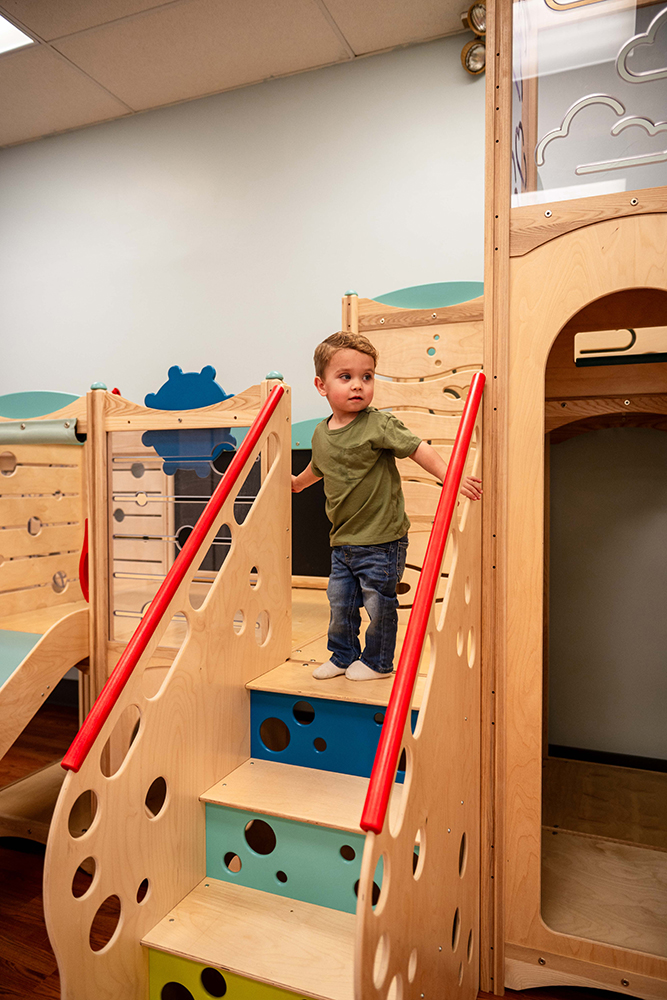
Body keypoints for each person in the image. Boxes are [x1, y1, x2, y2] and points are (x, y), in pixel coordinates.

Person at [291, 331, 482, 681]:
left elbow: (418, 448)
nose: (358, 386)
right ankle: (342, 655)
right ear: (322, 385)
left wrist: (450, 478)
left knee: (379, 604)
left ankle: (378, 662)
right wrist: (297, 484)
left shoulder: (378, 423)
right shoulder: (321, 433)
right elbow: (317, 467)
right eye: (345, 377)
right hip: (343, 539)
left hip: (382, 540)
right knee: (340, 602)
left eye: (367, 376)